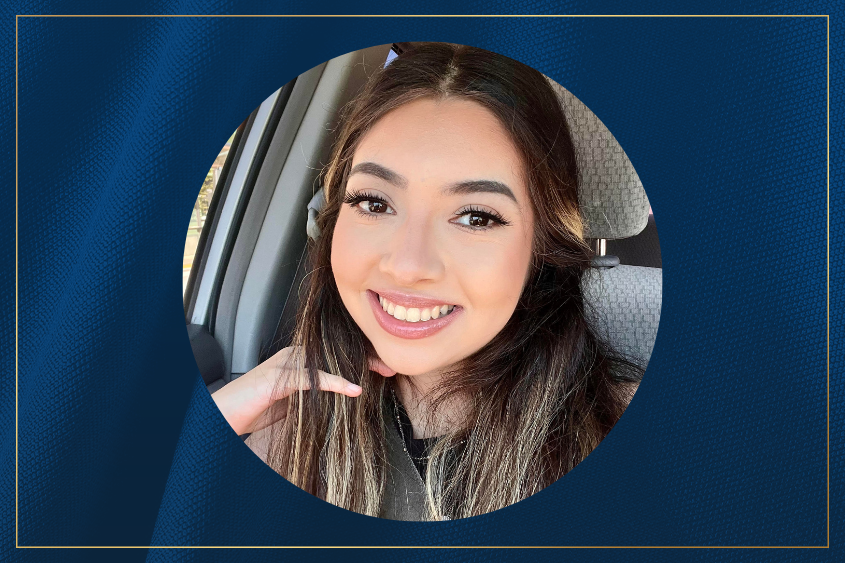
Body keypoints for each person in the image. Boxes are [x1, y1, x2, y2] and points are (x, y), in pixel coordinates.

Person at [211, 42, 643, 521]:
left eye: (477, 217)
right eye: (374, 203)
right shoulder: (283, 444)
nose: (407, 265)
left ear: (542, 247)